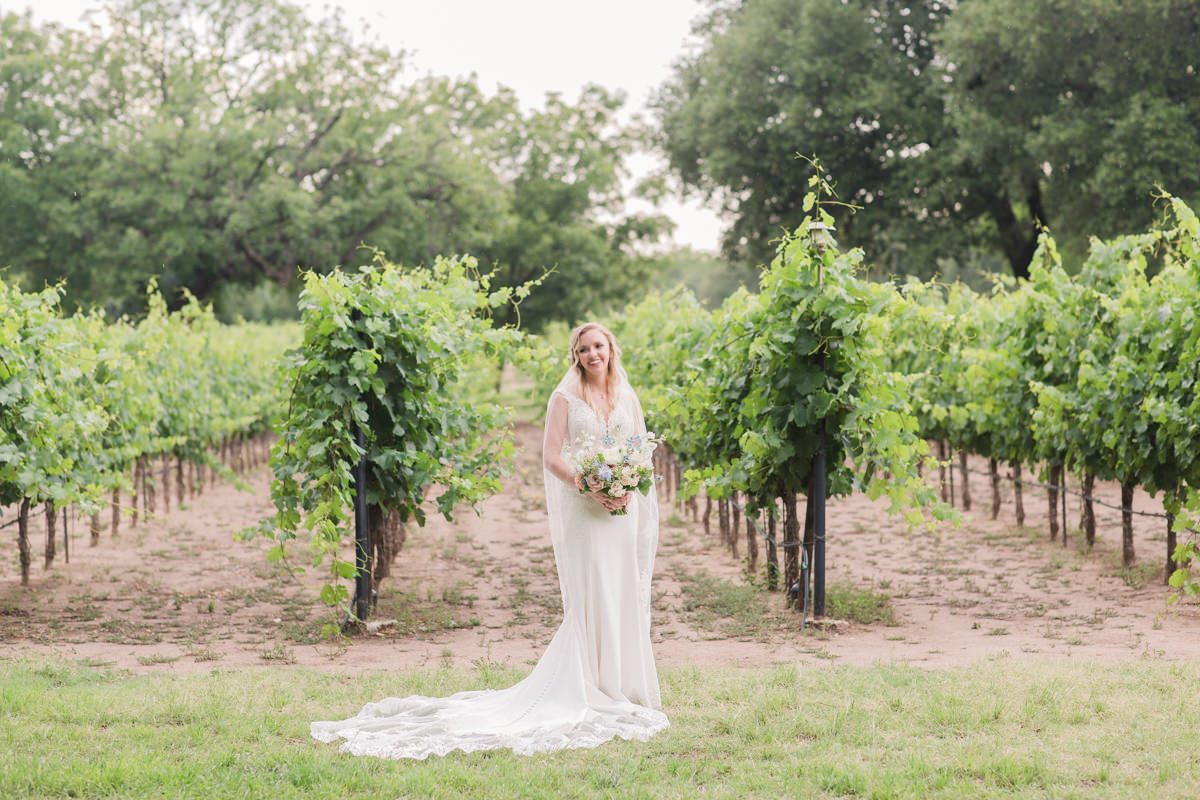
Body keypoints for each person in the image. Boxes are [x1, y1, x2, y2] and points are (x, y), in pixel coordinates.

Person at [310, 322, 668, 759]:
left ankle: (623, 685)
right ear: (575, 355)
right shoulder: (564, 398)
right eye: (584, 349)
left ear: (611, 348)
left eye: (599, 346)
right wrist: (586, 483)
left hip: (620, 513)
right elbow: (551, 457)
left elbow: (636, 448)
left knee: (621, 590)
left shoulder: (627, 395)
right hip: (587, 511)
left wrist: (627, 483)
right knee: (593, 593)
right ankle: (591, 683)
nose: (593, 354)